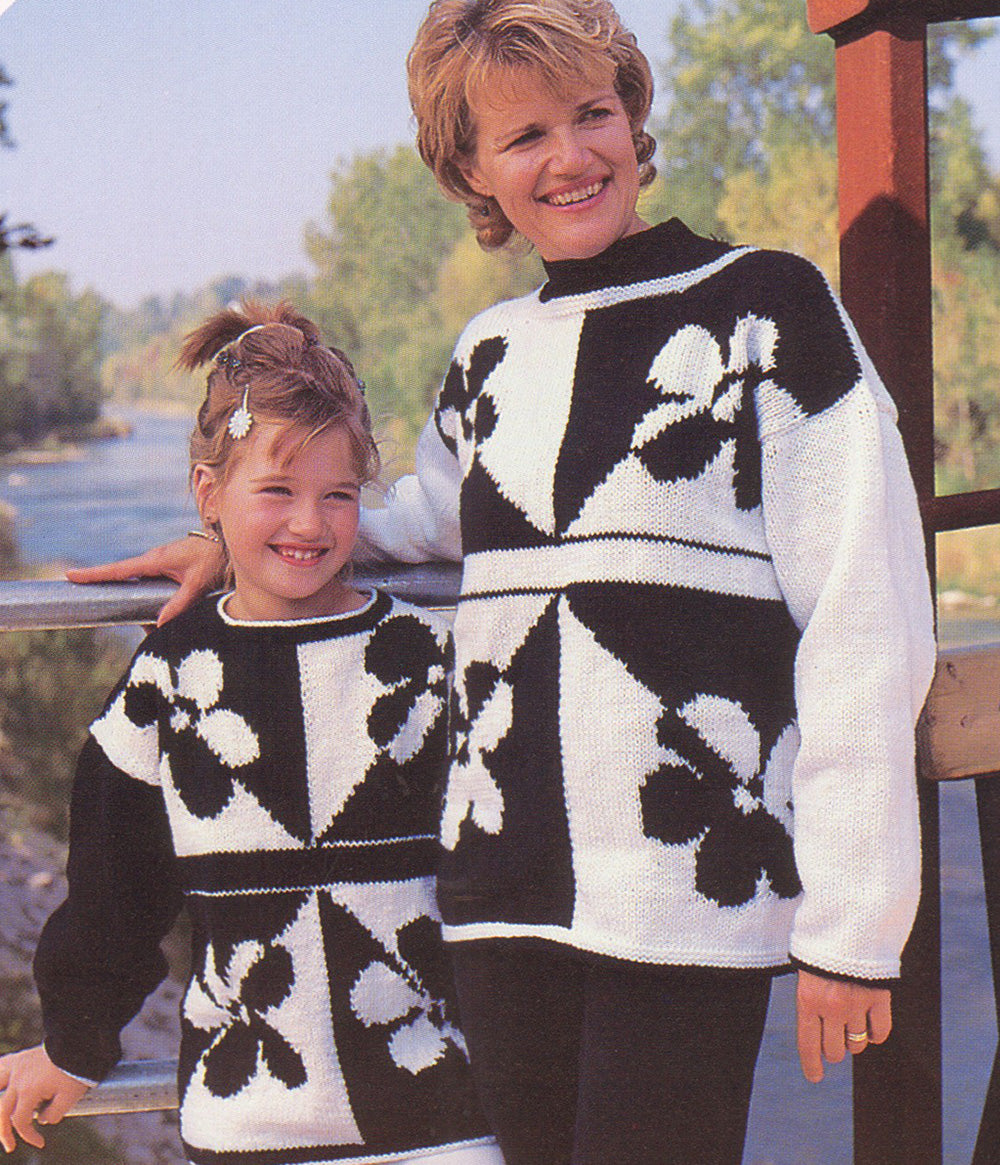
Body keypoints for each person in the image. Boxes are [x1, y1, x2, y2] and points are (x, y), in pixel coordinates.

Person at [63, 2, 938, 1162]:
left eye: (591, 114)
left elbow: (865, 617)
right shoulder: (490, 352)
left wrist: (853, 928)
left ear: (632, 117)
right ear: (470, 167)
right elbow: (417, 527)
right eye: (524, 136)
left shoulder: (765, 309)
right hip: (496, 904)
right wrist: (238, 542)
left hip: (686, 896)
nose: (570, 157)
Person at [0, 303, 502, 1165]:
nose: (310, 523)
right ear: (208, 493)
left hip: (443, 1120)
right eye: (277, 492)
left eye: (338, 496)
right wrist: (75, 1043)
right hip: (248, 1122)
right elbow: (115, 890)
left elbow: (507, 857)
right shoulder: (169, 680)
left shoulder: (429, 659)